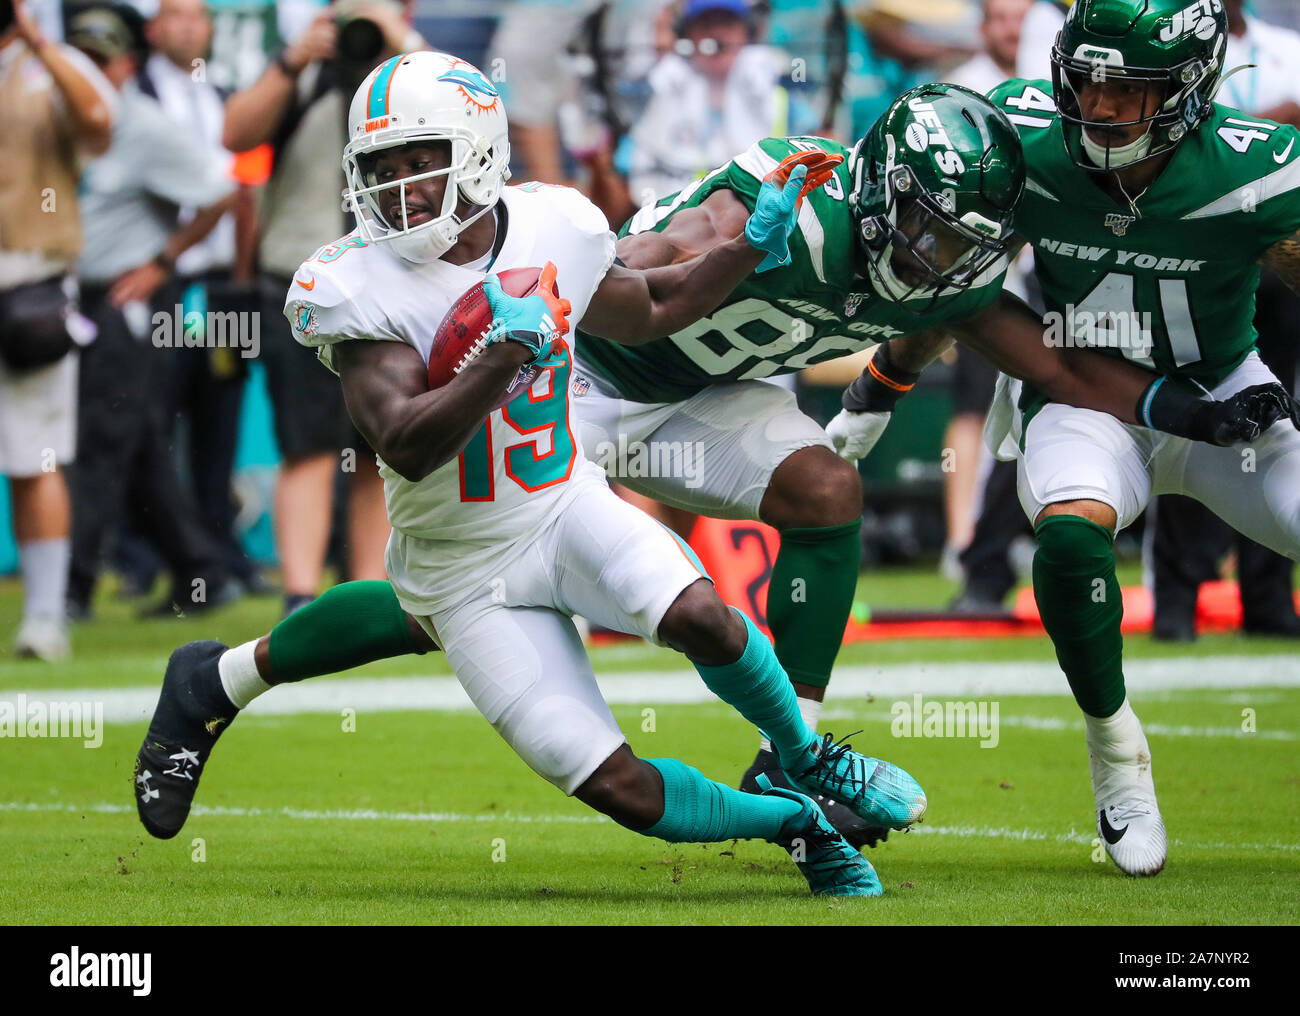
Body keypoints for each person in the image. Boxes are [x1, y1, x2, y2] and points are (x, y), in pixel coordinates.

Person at [131, 77, 1281, 858]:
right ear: (878, 191)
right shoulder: (776, 202)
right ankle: (223, 675)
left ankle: (799, 756)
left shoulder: (951, 254)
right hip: (574, 378)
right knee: (458, 594)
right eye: (929, 230)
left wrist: (1178, 402)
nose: (944, 258)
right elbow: (641, 274)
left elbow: (1027, 351)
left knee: (821, 493)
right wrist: (742, 241)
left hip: (706, 398)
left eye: (965, 242)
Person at [134, 50, 933, 898]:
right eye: (382, 168)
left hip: (559, 504)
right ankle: (799, 825)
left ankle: (806, 765)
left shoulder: (558, 223)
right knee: (618, 786)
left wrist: (746, 248)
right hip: (464, 571)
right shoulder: (349, 283)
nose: (399, 188)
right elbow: (406, 441)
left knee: (705, 616)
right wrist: (504, 353)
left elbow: (656, 307)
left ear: (478, 153)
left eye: (419, 162)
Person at [891, 0, 1300, 877]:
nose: (1099, 104)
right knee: (1073, 535)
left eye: (1128, 88)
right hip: (1083, 396)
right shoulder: (1022, 138)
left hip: (1224, 397)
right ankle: (1118, 757)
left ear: (1189, 88)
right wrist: (883, 380)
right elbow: (951, 281)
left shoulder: (1254, 169)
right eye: (1086, 78)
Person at [222, 0, 426, 616]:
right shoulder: (304, 69)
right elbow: (235, 134)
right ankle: (301, 595)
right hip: (304, 281)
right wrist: (291, 62)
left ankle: (369, 596)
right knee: (307, 446)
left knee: (378, 451)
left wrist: (400, 43)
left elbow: (473, 110)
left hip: (395, 282)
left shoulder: (415, 75)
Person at [66, 7, 238, 619]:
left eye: (100, 60)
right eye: (77, 59)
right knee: (133, 437)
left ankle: (71, 586)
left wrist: (161, 263)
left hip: (127, 299)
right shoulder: (65, 122)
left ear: (124, 65)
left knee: (103, 437)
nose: (88, 71)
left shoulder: (141, 125)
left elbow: (223, 191)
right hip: (73, 297)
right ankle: (200, 566)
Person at [1150, 0, 1300, 641]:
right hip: (1194, 256)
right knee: (1193, 413)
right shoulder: (1159, 38)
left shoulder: (1284, 44)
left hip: (1278, 257)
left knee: (1271, 414)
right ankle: (1179, 599)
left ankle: (1267, 600)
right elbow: (1176, 137)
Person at [0, 0, 115, 659]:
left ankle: (45, 615)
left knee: (35, 457)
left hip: (29, 284)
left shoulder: (54, 66)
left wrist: (38, 40)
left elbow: (100, 122)